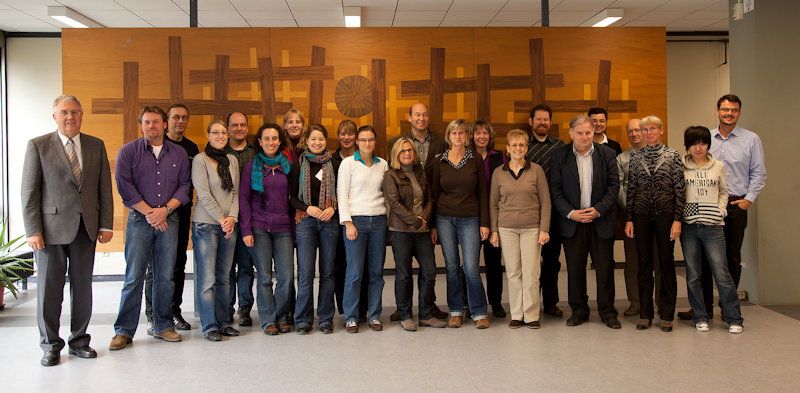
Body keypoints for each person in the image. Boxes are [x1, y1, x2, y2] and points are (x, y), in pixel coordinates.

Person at [21, 95, 114, 367]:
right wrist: (33, 230)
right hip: (49, 233)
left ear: (82, 115)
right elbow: (29, 192)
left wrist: (105, 224)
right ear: (55, 117)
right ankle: (50, 345)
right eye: (64, 112)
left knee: (83, 289)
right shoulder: (38, 145)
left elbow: (104, 189)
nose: (70, 116)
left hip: (86, 229)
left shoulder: (96, 145)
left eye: (75, 111)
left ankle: (79, 341)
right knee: (49, 292)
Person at [677, 94, 767, 322]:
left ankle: (727, 308)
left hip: (736, 205)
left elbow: (759, 173)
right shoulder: (705, 138)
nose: (729, 113)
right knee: (704, 262)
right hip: (704, 208)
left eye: (734, 110)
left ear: (739, 112)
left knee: (731, 259)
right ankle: (703, 308)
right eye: (725, 109)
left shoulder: (751, 139)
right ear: (717, 111)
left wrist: (750, 198)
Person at [110, 106, 191, 350]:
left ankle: (163, 325)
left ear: (165, 124)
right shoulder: (128, 152)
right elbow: (125, 188)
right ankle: (123, 331)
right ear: (142, 124)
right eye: (147, 122)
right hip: (139, 221)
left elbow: (185, 188)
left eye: (156, 122)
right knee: (133, 277)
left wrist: (164, 211)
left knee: (165, 277)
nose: (151, 126)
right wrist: (151, 213)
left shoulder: (178, 153)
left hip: (170, 220)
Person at [549, 114, 620, 329]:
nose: (584, 136)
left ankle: (608, 312)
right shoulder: (559, 155)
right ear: (571, 134)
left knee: (605, 269)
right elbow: (555, 190)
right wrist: (571, 213)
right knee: (575, 269)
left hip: (601, 221)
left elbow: (614, 187)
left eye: (588, 132)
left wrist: (598, 210)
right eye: (579, 133)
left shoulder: (607, 154)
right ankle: (579, 311)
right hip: (573, 223)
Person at [386, 103, 449, 321]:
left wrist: (426, 220)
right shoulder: (391, 173)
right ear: (409, 117)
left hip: (424, 226)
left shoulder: (427, 163)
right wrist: (416, 220)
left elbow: (430, 196)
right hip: (402, 229)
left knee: (429, 271)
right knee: (403, 274)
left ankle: (426, 311)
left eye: (409, 150)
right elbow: (393, 203)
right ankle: (404, 313)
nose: (407, 153)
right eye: (417, 114)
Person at [680, 126, 744, 334]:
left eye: (702, 143)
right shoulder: (681, 166)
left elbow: (724, 192)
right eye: (693, 144)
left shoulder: (718, 166)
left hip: (713, 227)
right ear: (687, 146)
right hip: (689, 228)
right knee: (693, 275)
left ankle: (734, 318)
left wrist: (721, 211)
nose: (698, 148)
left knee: (722, 273)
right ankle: (700, 316)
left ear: (708, 144)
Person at [624, 115, 685, 332]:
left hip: (666, 215)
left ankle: (667, 314)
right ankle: (645, 314)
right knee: (644, 265)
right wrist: (629, 218)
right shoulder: (635, 157)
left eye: (652, 129)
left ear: (661, 130)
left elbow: (680, 189)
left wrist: (678, 219)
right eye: (644, 129)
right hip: (640, 216)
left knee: (666, 265)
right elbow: (631, 189)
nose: (648, 133)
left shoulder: (672, 155)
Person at [431, 119, 490, 329]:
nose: (458, 136)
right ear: (449, 136)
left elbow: (483, 192)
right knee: (452, 267)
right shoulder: (439, 161)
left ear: (467, 136)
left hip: (470, 218)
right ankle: (455, 312)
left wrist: (485, 223)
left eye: (461, 133)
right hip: (444, 218)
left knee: (471, 268)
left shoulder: (475, 159)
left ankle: (479, 312)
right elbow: (435, 194)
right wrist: (434, 225)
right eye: (454, 133)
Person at [144, 103, 198, 334]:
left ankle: (173, 312)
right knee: (153, 268)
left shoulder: (191, 148)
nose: (181, 121)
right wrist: (158, 211)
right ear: (167, 121)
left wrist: (171, 208)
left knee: (177, 265)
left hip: (180, 214)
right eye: (176, 117)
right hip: (153, 216)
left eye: (185, 117)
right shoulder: (154, 144)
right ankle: (151, 315)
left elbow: (189, 183)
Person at [489, 129, 551, 329]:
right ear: (507, 149)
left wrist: (544, 229)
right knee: (513, 272)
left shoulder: (537, 170)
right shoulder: (499, 172)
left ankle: (531, 315)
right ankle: (516, 314)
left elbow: (546, 201)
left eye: (521, 145)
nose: (518, 148)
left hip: (532, 228)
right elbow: (493, 204)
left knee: (531, 272)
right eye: (513, 145)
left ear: (527, 148)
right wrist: (494, 230)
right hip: (506, 229)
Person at [240, 123, 295, 335]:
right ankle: (268, 320)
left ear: (280, 141)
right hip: (259, 227)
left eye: (274, 138)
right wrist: (245, 230)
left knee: (286, 277)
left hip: (283, 229)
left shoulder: (288, 166)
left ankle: (282, 317)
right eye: (266, 139)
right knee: (263, 277)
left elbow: (293, 198)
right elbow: (244, 200)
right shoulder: (251, 168)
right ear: (260, 142)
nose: (271, 142)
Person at [191, 120, 241, 341]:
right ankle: (209, 325)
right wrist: (222, 219)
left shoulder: (232, 160)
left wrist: (232, 217)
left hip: (229, 225)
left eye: (223, 132)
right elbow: (203, 195)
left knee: (224, 277)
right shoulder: (200, 160)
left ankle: (223, 322)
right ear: (208, 134)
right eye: (216, 132)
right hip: (206, 225)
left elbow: (236, 193)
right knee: (207, 279)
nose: (221, 136)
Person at [338, 125, 389, 333]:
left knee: (376, 272)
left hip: (378, 221)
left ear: (375, 142)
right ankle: (351, 317)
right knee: (354, 272)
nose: (367, 143)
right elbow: (342, 194)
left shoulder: (383, 164)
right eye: (363, 140)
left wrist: (387, 221)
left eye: (370, 139)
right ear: (357, 142)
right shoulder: (348, 163)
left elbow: (387, 196)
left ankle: (374, 315)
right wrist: (347, 222)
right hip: (356, 222)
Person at [291, 125, 341, 335]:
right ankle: (303, 319)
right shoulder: (297, 165)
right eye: (313, 139)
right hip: (306, 221)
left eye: (321, 139)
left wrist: (333, 207)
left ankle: (326, 318)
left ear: (325, 141)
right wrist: (307, 208)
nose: (317, 142)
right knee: (306, 273)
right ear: (307, 141)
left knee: (328, 272)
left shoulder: (336, 165)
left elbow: (343, 193)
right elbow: (292, 198)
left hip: (329, 221)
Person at [525, 104, 566, 317]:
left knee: (551, 261)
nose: (542, 123)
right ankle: (529, 305)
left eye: (546, 119)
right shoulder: (522, 146)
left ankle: (550, 303)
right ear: (530, 121)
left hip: (554, 213)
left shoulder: (561, 147)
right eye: (538, 119)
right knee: (529, 262)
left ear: (550, 122)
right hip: (528, 213)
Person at [617, 119, 660, 317]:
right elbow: (619, 187)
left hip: (659, 217)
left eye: (637, 130)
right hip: (632, 218)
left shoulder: (663, 155)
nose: (634, 134)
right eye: (630, 131)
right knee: (633, 262)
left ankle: (660, 303)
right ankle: (636, 302)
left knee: (659, 261)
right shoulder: (622, 159)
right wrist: (634, 210)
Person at [331, 120, 369, 321]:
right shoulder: (331, 159)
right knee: (341, 266)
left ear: (356, 137)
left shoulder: (365, 158)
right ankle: (346, 309)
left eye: (350, 133)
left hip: (360, 218)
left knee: (360, 265)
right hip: (337, 219)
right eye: (342, 133)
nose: (346, 137)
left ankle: (362, 309)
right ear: (338, 136)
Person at [470, 119, 507, 318]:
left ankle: (496, 303)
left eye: (485, 133)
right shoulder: (467, 156)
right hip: (472, 215)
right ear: (472, 136)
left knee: (494, 263)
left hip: (495, 215)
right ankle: (471, 304)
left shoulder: (499, 157)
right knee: (470, 264)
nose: (482, 136)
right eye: (478, 133)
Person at [226, 112, 258, 326]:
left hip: (249, 217)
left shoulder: (256, 153)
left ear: (247, 128)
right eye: (234, 125)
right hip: (226, 218)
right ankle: (227, 307)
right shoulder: (219, 151)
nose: (239, 128)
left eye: (243, 125)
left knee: (246, 266)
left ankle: (245, 308)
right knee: (227, 266)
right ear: (228, 128)